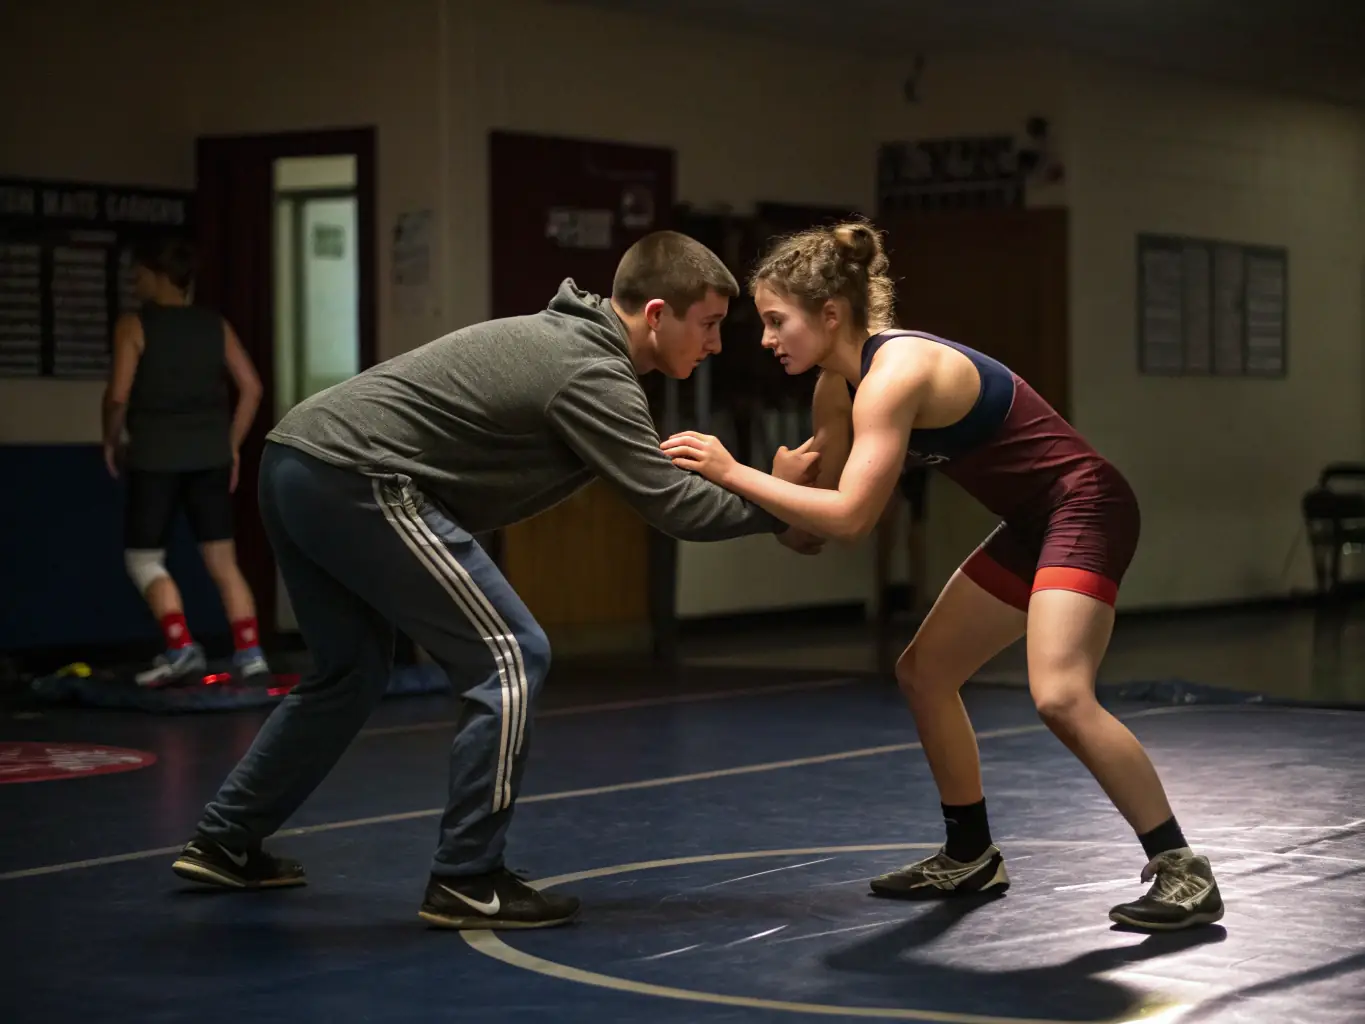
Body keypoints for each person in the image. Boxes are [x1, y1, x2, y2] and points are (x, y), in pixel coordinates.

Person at [169, 231, 819, 929]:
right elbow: (673, 505)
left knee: (350, 672)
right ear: (657, 315)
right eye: (710, 325)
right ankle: (467, 876)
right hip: (356, 474)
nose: (715, 345)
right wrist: (779, 506)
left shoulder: (574, 347)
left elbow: (655, 485)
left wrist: (768, 503)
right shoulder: (590, 369)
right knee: (510, 653)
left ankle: (225, 840)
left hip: (294, 461)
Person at [661, 220, 1224, 932]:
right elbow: (810, 536)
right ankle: (969, 854)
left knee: (1059, 694)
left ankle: (1182, 868)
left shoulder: (896, 373)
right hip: (1032, 523)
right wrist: (775, 482)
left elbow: (852, 518)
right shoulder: (836, 391)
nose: (766, 339)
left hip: (1085, 506)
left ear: (829, 314)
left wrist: (735, 472)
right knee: (924, 673)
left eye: (777, 321)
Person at [102, 238, 272, 687]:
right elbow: (252, 388)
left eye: (140, 274)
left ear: (159, 277)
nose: (134, 282)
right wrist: (231, 445)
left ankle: (180, 647)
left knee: (143, 560)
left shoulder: (134, 325)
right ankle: (251, 653)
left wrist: (111, 440)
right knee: (223, 560)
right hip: (210, 458)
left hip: (154, 456)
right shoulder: (214, 325)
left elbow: (117, 396)